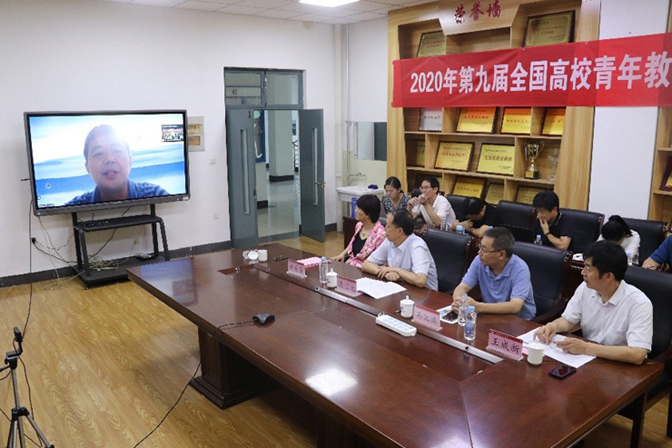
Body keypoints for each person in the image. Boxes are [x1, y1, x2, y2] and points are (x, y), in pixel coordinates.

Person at [535, 241, 652, 365]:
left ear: (608, 276)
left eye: (588, 268)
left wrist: (586, 348)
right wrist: (553, 326)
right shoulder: (586, 288)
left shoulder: (639, 303)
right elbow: (570, 320)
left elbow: (637, 354)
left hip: (619, 366)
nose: (582, 272)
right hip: (587, 361)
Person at [66, 124, 168, 205]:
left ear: (130, 161)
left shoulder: (156, 195)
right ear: (87, 168)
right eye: (99, 153)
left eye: (117, 151)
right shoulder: (74, 207)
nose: (109, 159)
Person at [452, 227, 536, 319]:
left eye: (484, 249)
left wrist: (478, 306)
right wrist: (458, 301)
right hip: (491, 315)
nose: (479, 252)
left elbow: (515, 306)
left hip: (519, 320)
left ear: (501, 254)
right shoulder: (479, 261)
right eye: (480, 247)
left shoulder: (520, 269)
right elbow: (463, 286)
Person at [362, 209, 438, 290]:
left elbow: (420, 280)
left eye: (388, 226)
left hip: (426, 294)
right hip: (402, 288)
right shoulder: (389, 241)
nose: (385, 228)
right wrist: (386, 273)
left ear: (399, 231)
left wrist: (397, 270)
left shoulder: (417, 246)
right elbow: (366, 264)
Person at [332, 194, 386, 268]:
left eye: (359, 208)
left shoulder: (381, 234)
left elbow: (381, 261)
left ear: (367, 214)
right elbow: (351, 245)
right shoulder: (359, 225)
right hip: (350, 266)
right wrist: (342, 254)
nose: (356, 210)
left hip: (365, 270)